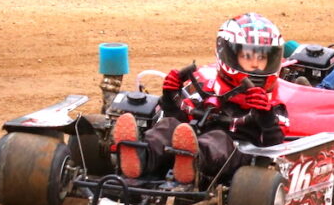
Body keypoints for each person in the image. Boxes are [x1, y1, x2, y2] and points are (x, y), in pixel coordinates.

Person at [112, 12, 288, 185]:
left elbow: (275, 149)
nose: (255, 64)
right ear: (228, 54)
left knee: (217, 139)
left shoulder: (273, 102)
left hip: (238, 157)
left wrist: (266, 116)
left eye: (262, 57)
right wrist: (170, 96)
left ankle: (190, 163)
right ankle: (141, 158)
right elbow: (179, 123)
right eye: (247, 56)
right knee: (168, 126)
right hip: (190, 143)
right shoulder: (207, 88)